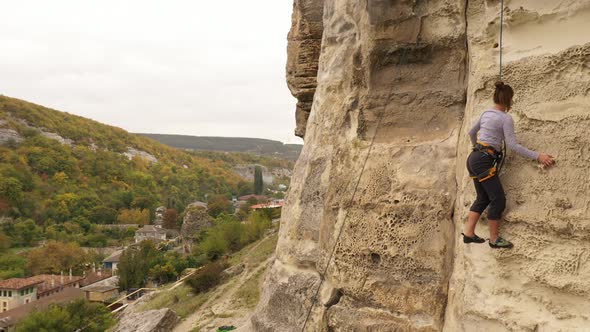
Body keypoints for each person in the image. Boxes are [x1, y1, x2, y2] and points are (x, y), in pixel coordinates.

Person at [462, 81, 555, 249]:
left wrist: (475, 145)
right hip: (484, 160)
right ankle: (494, 239)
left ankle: (468, 234)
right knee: (498, 200)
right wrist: (537, 156)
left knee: (483, 198)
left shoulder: (485, 114)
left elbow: (471, 132)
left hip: (474, 158)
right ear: (509, 100)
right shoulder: (505, 118)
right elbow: (512, 145)